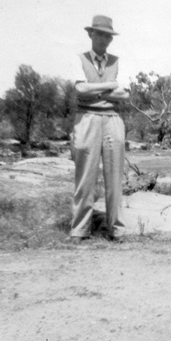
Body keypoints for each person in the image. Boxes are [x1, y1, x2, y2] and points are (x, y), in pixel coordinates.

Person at [68, 15, 130, 241]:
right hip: (87, 119)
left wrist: (95, 89)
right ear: (90, 34)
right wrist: (109, 86)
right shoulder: (79, 59)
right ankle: (80, 229)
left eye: (107, 35)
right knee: (85, 176)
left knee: (114, 176)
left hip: (112, 118)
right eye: (99, 33)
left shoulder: (117, 61)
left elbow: (124, 94)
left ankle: (117, 228)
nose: (103, 38)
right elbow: (80, 89)